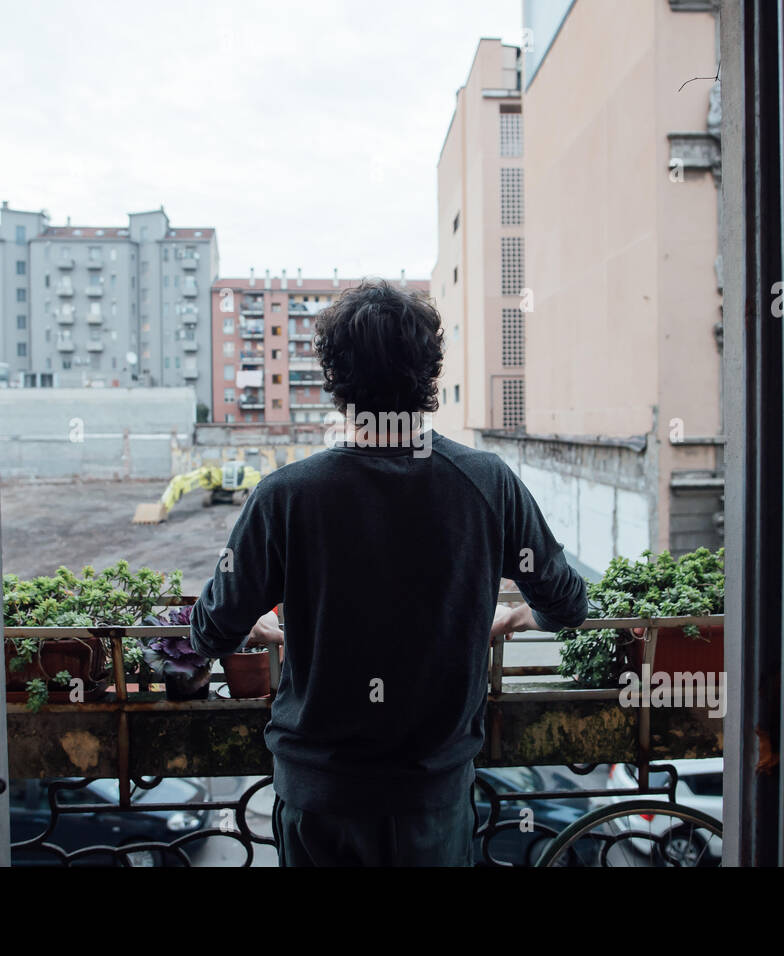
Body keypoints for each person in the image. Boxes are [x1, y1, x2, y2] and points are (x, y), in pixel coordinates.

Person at [189, 279, 589, 866]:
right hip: (432, 798)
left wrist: (261, 628)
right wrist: (507, 618)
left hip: (320, 798)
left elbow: (212, 630)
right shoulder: (487, 482)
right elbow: (566, 602)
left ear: (334, 380)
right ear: (428, 374)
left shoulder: (285, 496)